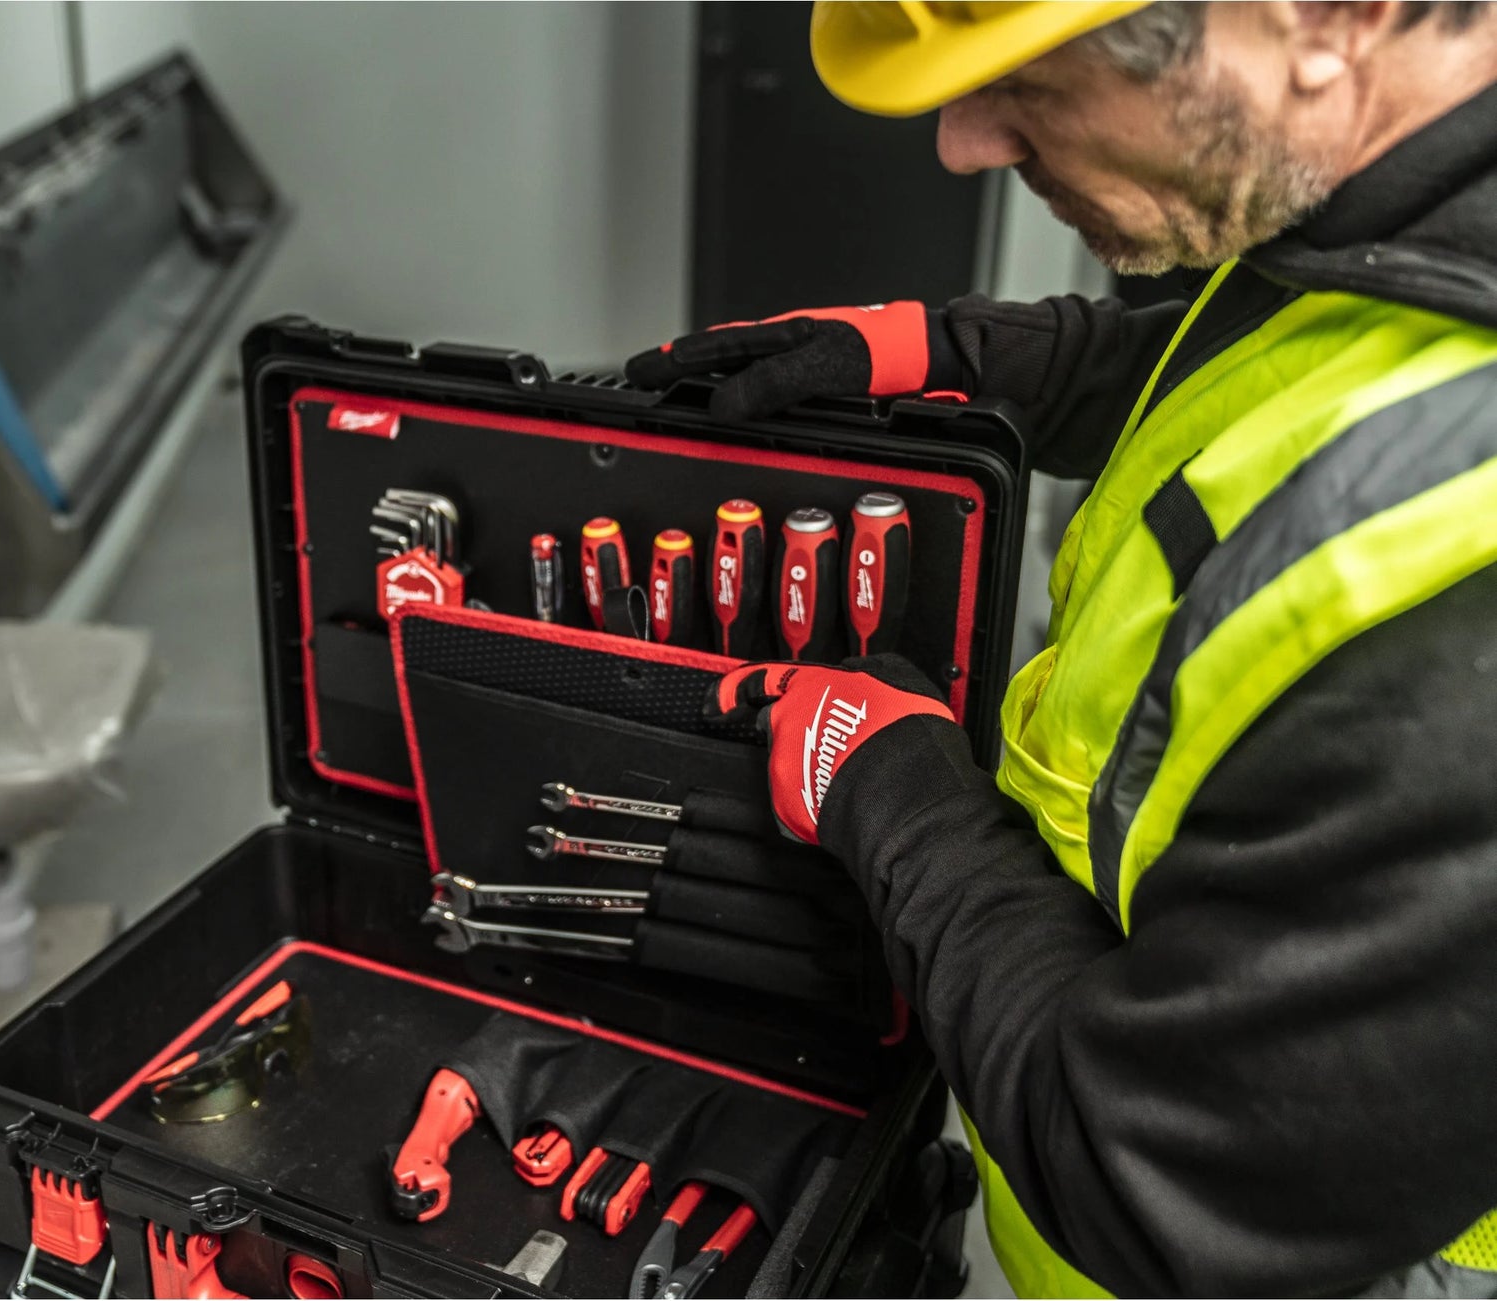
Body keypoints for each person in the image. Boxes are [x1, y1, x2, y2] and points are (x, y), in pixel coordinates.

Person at [625, 3, 1497, 1296]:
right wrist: (966, 358)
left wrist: (896, 794)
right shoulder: (1392, 193)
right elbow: (1281, 367)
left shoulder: (1465, 607)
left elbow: (1156, 1183)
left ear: (1326, 18)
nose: (961, 144)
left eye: (1028, 80)